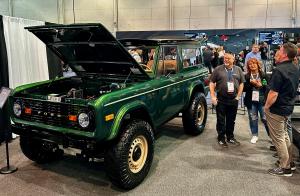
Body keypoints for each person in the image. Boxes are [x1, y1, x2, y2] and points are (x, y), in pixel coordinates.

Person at [264, 42, 299, 177]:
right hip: (288, 107)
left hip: (276, 109)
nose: (277, 53)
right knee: (284, 136)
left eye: (279, 50)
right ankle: (289, 163)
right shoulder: (295, 68)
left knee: (278, 138)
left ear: (284, 54)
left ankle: (285, 168)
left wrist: (266, 107)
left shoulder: (279, 70)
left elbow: (273, 93)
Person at [210, 53, 245, 147]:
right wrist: (213, 96)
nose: (226, 60)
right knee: (221, 120)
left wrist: (238, 96)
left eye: (228, 58)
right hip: (221, 99)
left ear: (233, 60)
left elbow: (241, 83)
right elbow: (212, 82)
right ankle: (221, 138)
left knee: (231, 120)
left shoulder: (238, 69)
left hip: (233, 99)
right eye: (225, 58)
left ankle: (230, 137)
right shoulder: (218, 69)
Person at [243, 58, 269, 144]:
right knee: (253, 118)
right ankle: (255, 135)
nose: (252, 65)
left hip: (262, 101)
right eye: (250, 64)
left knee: (265, 119)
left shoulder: (263, 75)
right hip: (251, 101)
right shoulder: (246, 76)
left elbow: (268, 88)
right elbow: (244, 88)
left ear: (258, 64)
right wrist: (251, 83)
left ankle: (272, 136)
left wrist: (261, 85)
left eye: (254, 63)